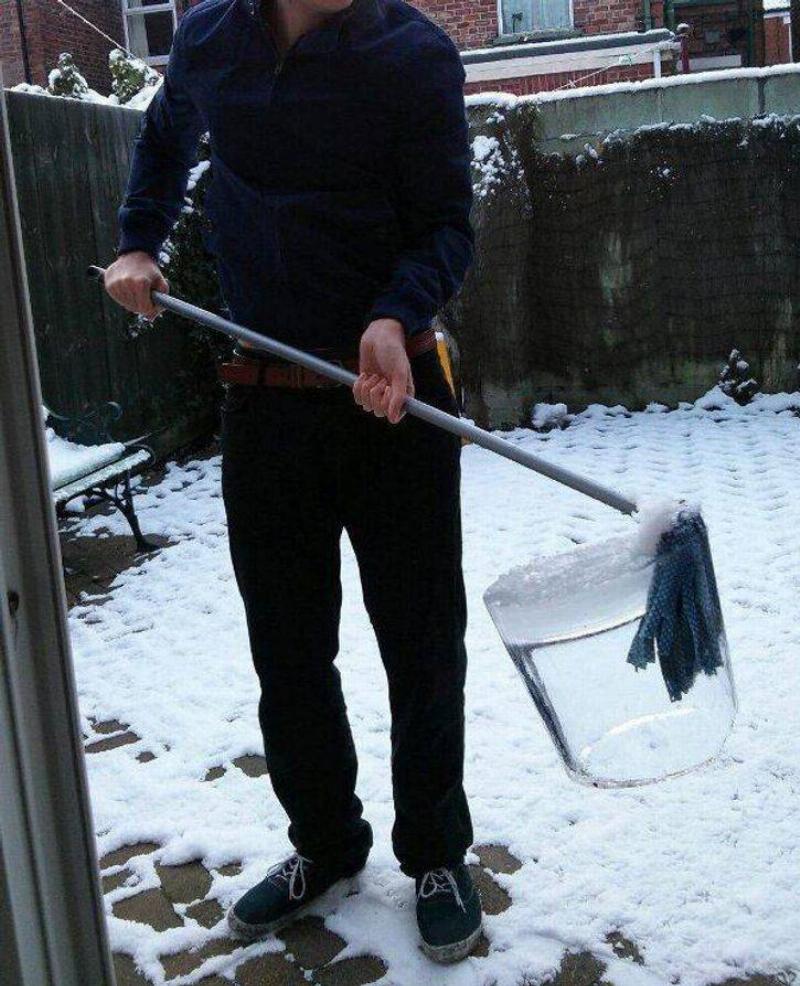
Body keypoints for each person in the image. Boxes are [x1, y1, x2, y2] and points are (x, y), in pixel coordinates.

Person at [104, 0, 480, 964]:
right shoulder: (211, 38)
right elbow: (164, 135)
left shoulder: (412, 54)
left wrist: (398, 314)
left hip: (395, 399)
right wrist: (140, 239)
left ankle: (436, 853)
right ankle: (326, 844)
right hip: (267, 401)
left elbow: (447, 226)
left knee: (422, 640)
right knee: (288, 646)